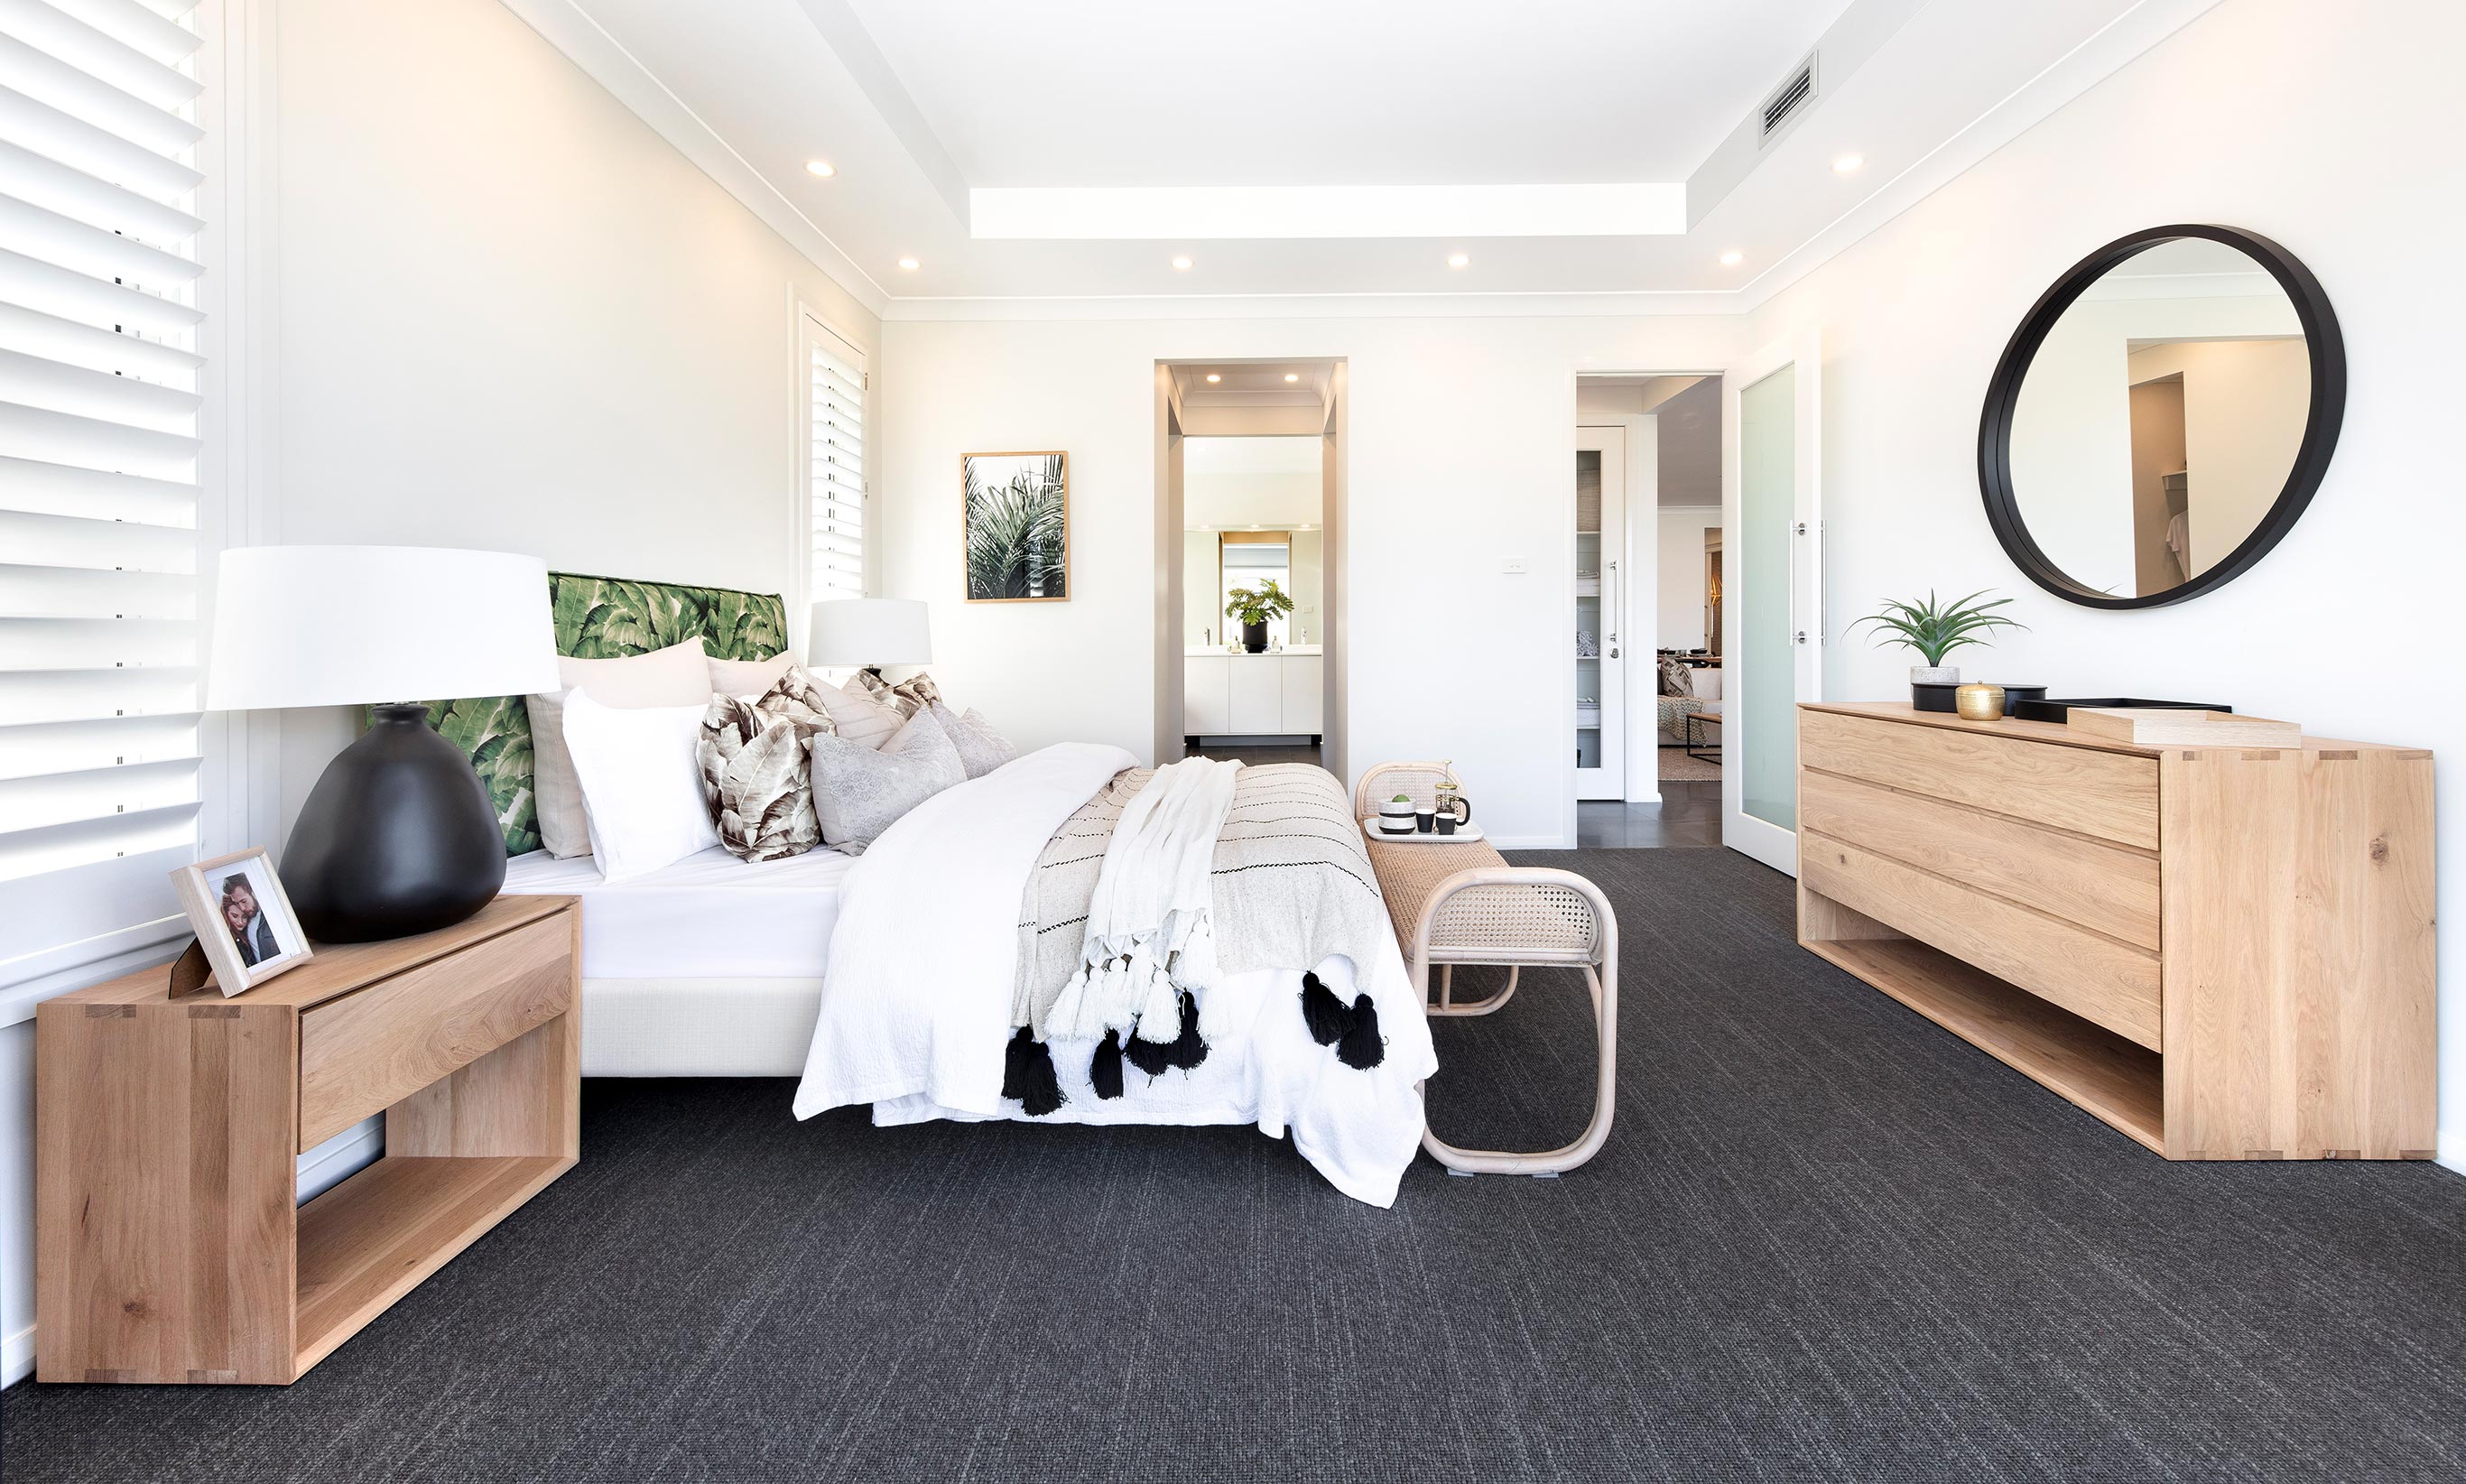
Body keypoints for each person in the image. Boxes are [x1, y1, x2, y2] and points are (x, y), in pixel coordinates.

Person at [221, 875, 279, 967]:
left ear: (254, 892)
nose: (242, 908)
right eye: (237, 903)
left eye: (243, 901)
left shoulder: (274, 916)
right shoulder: (244, 923)